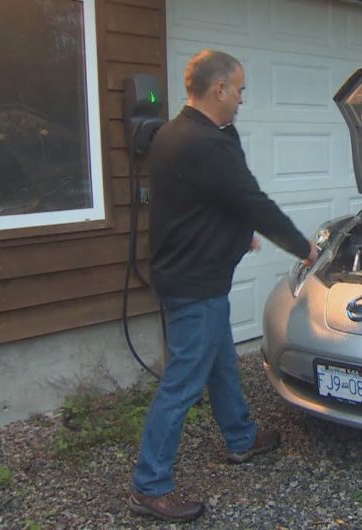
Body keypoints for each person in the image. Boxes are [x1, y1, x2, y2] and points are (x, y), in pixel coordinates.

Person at [128, 49, 318, 523]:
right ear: (219, 89)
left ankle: (241, 438)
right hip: (193, 283)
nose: (241, 99)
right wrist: (304, 248)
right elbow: (250, 199)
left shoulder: (179, 133)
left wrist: (236, 233)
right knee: (183, 384)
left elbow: (200, 203)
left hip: (192, 276)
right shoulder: (204, 143)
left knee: (222, 365)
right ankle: (150, 486)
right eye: (239, 89)